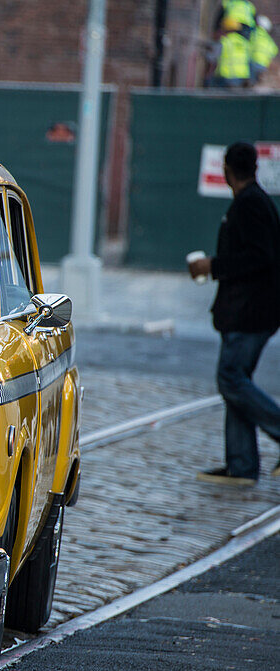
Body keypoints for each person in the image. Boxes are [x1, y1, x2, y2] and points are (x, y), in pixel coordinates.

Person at [188, 142, 280, 486]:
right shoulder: (253, 202)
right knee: (235, 381)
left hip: (250, 312)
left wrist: (213, 265)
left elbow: (260, 257)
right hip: (248, 311)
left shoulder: (250, 205)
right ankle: (241, 464)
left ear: (228, 170)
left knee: (231, 377)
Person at [250, 16, 277, 85]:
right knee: (256, 84)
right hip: (262, 66)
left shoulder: (254, 34)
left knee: (249, 85)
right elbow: (274, 51)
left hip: (252, 63)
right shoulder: (269, 39)